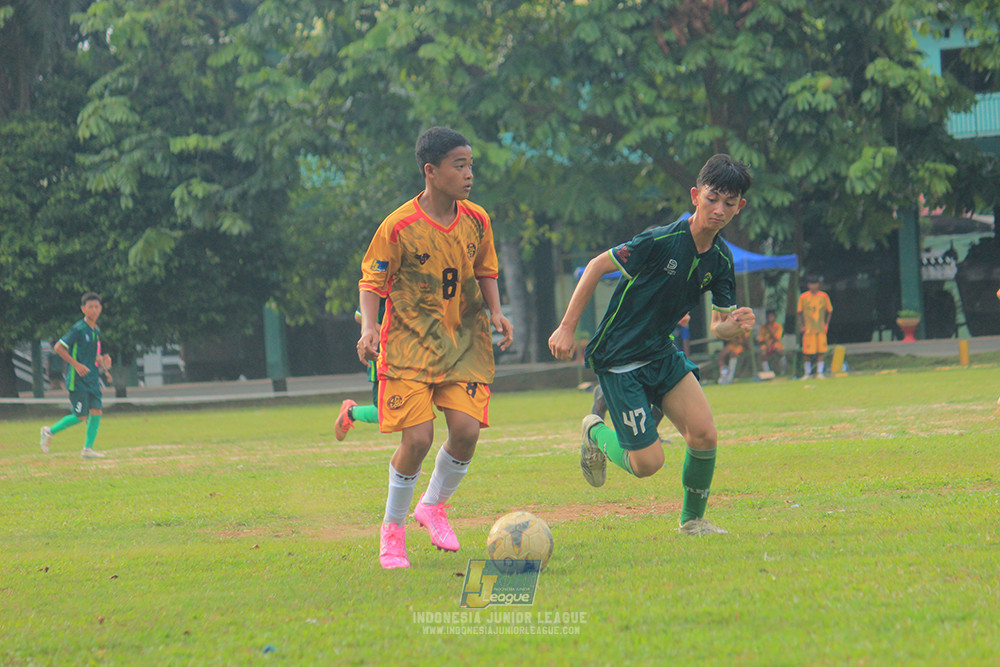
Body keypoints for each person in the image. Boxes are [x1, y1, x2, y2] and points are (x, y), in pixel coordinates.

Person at [548, 154, 754, 536]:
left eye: (729, 203)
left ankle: (693, 521)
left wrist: (736, 326)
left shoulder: (722, 260)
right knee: (647, 464)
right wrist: (565, 327)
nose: (719, 209)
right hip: (620, 356)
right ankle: (594, 429)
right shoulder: (660, 240)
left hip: (660, 352)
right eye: (712, 198)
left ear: (740, 207)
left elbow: (719, 326)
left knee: (705, 434)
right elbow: (596, 266)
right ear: (695, 196)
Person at [357, 127, 513, 569]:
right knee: (419, 438)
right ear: (431, 171)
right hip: (409, 345)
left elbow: (485, 269)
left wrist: (498, 312)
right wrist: (369, 328)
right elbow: (372, 281)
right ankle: (392, 531)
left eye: (470, 165)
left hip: (464, 341)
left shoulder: (477, 219)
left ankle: (433, 506)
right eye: (459, 165)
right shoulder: (399, 225)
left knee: (466, 432)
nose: (468, 174)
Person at [39, 292, 113, 458]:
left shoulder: (96, 331)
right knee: (81, 415)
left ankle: (87, 449)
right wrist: (76, 364)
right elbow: (58, 347)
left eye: (96, 307)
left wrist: (103, 361)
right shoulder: (78, 329)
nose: (94, 310)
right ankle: (49, 431)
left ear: (100, 309)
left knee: (96, 411)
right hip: (77, 378)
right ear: (83, 309)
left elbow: (93, 355)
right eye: (90, 307)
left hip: (92, 378)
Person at [334, 308, 383, 441]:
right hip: (382, 357)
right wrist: (387, 332)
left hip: (411, 354)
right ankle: (351, 412)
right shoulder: (382, 290)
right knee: (386, 414)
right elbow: (359, 315)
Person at [797, 277, 833, 378]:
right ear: (808, 285)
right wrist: (801, 326)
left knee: (821, 351)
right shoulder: (803, 297)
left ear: (818, 285)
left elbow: (829, 311)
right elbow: (799, 312)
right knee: (807, 353)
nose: (813, 286)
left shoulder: (824, 296)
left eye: (815, 284)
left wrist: (826, 324)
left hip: (820, 329)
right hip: (808, 330)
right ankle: (807, 373)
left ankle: (820, 373)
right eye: (811, 284)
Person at [757, 309, 785, 374]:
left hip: (775, 344)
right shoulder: (763, 327)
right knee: (763, 354)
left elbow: (777, 339)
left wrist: (770, 330)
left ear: (774, 317)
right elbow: (760, 340)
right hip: (766, 345)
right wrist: (767, 345)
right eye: (768, 317)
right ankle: (767, 372)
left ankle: (782, 369)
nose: (769, 319)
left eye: (771, 317)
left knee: (779, 351)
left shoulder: (778, 326)